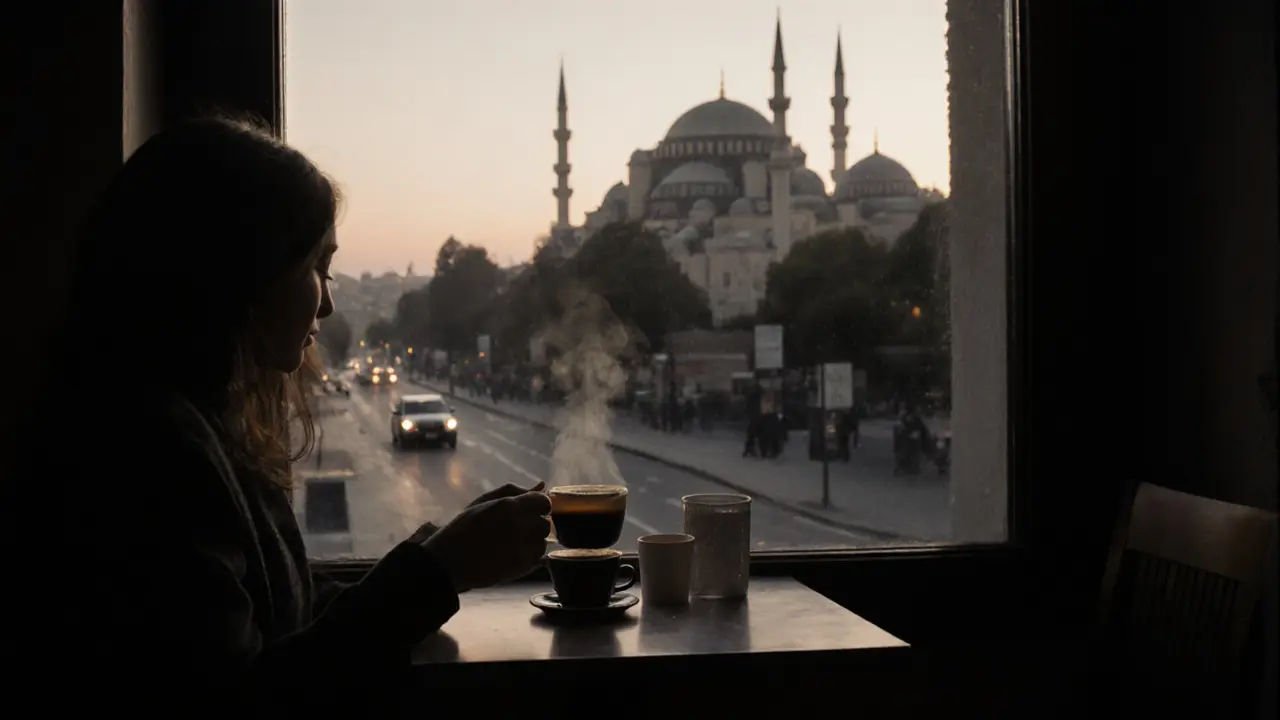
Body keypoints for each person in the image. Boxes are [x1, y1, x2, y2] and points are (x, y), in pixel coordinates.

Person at [21, 116, 551, 715]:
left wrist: (441, 561)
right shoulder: (151, 449)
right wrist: (437, 571)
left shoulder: (181, 419)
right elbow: (245, 702)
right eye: (316, 269)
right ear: (240, 275)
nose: (327, 302)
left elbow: (281, 612)